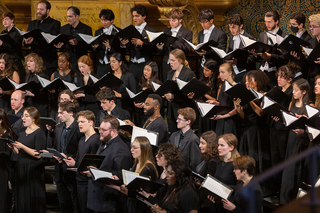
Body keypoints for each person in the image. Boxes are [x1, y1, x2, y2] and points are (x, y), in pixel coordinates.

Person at [85, 116, 131, 213]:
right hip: (96, 198)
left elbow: (121, 174)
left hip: (108, 202)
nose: (100, 132)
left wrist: (96, 172)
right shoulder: (104, 143)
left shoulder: (121, 149)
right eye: (99, 128)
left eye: (103, 130)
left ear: (113, 131)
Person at [9, 107, 46, 213]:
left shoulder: (39, 132)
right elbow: (19, 152)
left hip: (33, 168)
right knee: (22, 196)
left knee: (32, 196)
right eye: (23, 116)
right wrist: (13, 147)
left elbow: (38, 154)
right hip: (21, 167)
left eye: (26, 116)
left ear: (33, 118)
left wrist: (22, 146)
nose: (23, 118)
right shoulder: (22, 131)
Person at [107, 136, 158, 213]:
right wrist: (119, 181)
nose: (131, 150)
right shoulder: (137, 163)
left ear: (144, 149)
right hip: (132, 205)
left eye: (135, 148)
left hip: (140, 208)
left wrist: (114, 186)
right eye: (131, 147)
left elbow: (136, 193)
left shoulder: (148, 168)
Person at [280, 78, 310, 205]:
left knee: (296, 169)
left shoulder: (309, 107)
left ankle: (293, 200)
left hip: (301, 141)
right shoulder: (292, 104)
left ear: (304, 92)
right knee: (288, 167)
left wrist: (304, 131)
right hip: (291, 139)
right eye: (293, 90)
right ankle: (284, 199)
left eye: (296, 90)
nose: (293, 92)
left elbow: (312, 127)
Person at [64, 110, 100, 213]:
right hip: (79, 180)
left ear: (91, 123)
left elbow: (92, 164)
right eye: (78, 122)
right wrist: (71, 161)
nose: (79, 124)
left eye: (82, 122)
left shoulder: (95, 140)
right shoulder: (82, 140)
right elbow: (79, 159)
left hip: (88, 183)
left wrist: (75, 164)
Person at [49, 101, 83, 213]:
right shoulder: (58, 128)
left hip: (72, 171)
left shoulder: (79, 128)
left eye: (61, 113)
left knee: (75, 203)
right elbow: (56, 146)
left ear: (71, 113)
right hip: (60, 170)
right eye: (58, 113)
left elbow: (81, 149)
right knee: (63, 203)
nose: (58, 115)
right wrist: (56, 155)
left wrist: (67, 156)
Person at [119, 4, 158, 82]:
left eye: (137, 16)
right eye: (133, 16)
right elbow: (127, 49)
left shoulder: (152, 31)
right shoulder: (131, 30)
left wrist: (142, 44)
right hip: (132, 64)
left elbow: (155, 49)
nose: (134, 18)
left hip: (144, 65)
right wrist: (123, 44)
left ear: (144, 16)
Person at [24, 0, 60, 77]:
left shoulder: (55, 23)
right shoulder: (32, 23)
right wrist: (27, 42)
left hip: (48, 62)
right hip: (34, 62)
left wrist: (37, 38)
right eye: (38, 9)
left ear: (48, 11)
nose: (39, 11)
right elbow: (27, 39)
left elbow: (53, 41)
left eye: (41, 9)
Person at [163, 49, 196, 133]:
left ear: (180, 60)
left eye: (173, 60)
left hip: (183, 110)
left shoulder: (189, 74)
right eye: (170, 60)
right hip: (171, 110)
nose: (171, 62)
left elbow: (189, 96)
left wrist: (174, 97)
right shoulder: (170, 73)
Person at [157, 8, 193, 82]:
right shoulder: (166, 31)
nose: (171, 23)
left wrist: (173, 41)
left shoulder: (187, 32)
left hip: (178, 64)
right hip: (166, 63)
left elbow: (187, 49)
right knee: (165, 84)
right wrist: (160, 48)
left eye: (174, 21)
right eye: (170, 20)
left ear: (180, 20)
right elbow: (163, 51)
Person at [256, 10, 287, 87]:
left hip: (275, 74)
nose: (267, 24)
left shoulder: (284, 37)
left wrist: (270, 56)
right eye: (265, 22)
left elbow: (285, 59)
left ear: (276, 21)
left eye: (269, 22)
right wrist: (255, 54)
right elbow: (258, 57)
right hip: (262, 72)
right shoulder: (262, 35)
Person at [210, 63, 240, 138]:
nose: (220, 75)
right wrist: (216, 103)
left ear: (230, 73)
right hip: (221, 119)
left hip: (229, 121)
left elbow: (236, 110)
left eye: (223, 72)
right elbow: (223, 104)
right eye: (219, 72)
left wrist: (221, 117)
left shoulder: (235, 87)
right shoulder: (223, 85)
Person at [59, 6, 92, 74]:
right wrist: (59, 46)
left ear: (77, 16)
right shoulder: (63, 29)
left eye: (70, 16)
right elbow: (62, 46)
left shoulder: (86, 29)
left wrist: (78, 43)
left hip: (81, 63)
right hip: (68, 64)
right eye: (67, 16)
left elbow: (89, 46)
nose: (68, 19)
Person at [212, 133, 239, 213]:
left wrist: (224, 187)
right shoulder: (219, 163)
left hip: (229, 205)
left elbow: (240, 187)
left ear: (231, 147)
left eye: (222, 145)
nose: (218, 148)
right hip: (218, 203)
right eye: (218, 145)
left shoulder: (235, 165)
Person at [197, 9, 227, 77]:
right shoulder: (200, 34)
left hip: (214, 68)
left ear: (211, 20)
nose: (202, 24)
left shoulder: (220, 34)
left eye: (205, 22)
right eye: (201, 22)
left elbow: (221, 51)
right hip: (202, 67)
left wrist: (207, 53)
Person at [226, 14, 256, 83]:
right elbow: (230, 51)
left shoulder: (249, 38)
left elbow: (252, 59)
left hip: (245, 74)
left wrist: (238, 62)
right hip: (232, 72)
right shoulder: (231, 37)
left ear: (241, 26)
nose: (231, 30)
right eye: (230, 27)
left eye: (233, 27)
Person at [93, 9, 121, 78]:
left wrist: (109, 47)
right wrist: (95, 47)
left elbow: (120, 51)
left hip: (112, 64)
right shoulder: (98, 32)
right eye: (102, 20)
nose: (103, 22)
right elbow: (96, 50)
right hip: (100, 64)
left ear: (112, 20)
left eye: (105, 20)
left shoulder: (118, 32)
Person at [196, 131, 219, 213]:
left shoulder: (213, 161)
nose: (199, 146)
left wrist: (200, 182)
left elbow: (210, 184)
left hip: (206, 202)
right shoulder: (205, 157)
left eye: (202, 143)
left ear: (210, 144)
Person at [0, 108, 17, 213]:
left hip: (3, 168)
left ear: (1, 120)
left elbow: (8, 153)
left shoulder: (9, 133)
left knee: (2, 193)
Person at [197, 59, 220, 135]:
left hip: (212, 111)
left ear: (213, 71)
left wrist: (204, 94)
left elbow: (217, 100)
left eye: (207, 70)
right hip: (202, 110)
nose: (204, 72)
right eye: (203, 69)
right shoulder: (203, 80)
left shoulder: (217, 82)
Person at [0, 12, 24, 82]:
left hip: (15, 61)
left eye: (6, 19)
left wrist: (3, 44)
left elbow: (16, 48)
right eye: (3, 20)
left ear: (12, 20)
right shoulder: (3, 32)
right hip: (5, 62)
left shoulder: (17, 32)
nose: (4, 22)